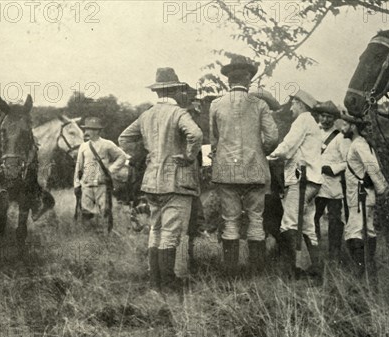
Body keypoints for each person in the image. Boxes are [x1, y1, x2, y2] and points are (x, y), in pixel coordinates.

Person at [119, 67, 203, 293]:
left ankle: (155, 283)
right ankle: (168, 283)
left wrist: (144, 155)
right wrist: (187, 155)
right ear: (175, 90)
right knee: (170, 232)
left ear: (157, 91)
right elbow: (195, 135)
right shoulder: (179, 114)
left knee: (155, 230)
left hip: (151, 182)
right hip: (177, 182)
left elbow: (123, 138)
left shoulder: (146, 115)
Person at [209, 55, 278, 276]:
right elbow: (273, 136)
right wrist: (261, 152)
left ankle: (231, 274)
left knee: (230, 221)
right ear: (248, 79)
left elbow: (214, 138)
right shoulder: (260, 104)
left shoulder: (215, 104)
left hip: (226, 170)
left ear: (228, 80)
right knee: (256, 219)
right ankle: (256, 272)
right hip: (255, 169)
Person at [268, 89, 323, 278]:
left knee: (288, 224)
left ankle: (297, 270)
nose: (291, 108)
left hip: (301, 180)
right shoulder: (313, 123)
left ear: (300, 104)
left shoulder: (302, 120)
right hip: (313, 181)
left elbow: (287, 146)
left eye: (293, 104)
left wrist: (268, 157)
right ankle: (315, 270)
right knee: (307, 225)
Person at [339, 111, 387, 280]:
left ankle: (361, 273)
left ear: (353, 127)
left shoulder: (359, 144)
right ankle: (369, 271)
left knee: (353, 232)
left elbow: (372, 166)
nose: (342, 127)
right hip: (361, 196)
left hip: (360, 196)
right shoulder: (358, 143)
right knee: (366, 230)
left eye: (345, 125)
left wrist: (380, 187)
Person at [312, 100, 351, 263]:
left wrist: (331, 169)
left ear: (334, 119)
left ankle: (334, 255)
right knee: (313, 218)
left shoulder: (341, 138)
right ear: (318, 116)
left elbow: (349, 162)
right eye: (323, 116)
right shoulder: (313, 133)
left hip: (334, 187)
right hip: (316, 185)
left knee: (335, 220)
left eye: (329, 117)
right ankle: (315, 254)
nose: (325, 120)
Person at [74, 117, 127, 233]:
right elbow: (79, 166)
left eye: (92, 129)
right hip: (86, 184)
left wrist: (111, 170)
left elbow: (122, 156)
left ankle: (104, 237)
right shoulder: (83, 146)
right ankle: (89, 238)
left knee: (103, 211)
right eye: (87, 129)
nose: (88, 132)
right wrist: (76, 184)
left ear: (98, 131)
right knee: (86, 212)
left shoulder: (107, 144)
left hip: (101, 184)